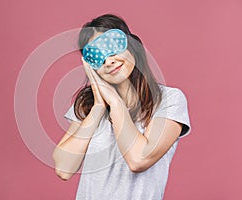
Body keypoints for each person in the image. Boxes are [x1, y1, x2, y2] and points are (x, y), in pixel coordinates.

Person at [52, 13, 191, 200]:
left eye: (112, 48)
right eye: (97, 56)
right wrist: (99, 107)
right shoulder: (89, 105)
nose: (108, 61)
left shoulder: (169, 100)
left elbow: (139, 159)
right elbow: (64, 168)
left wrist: (115, 102)